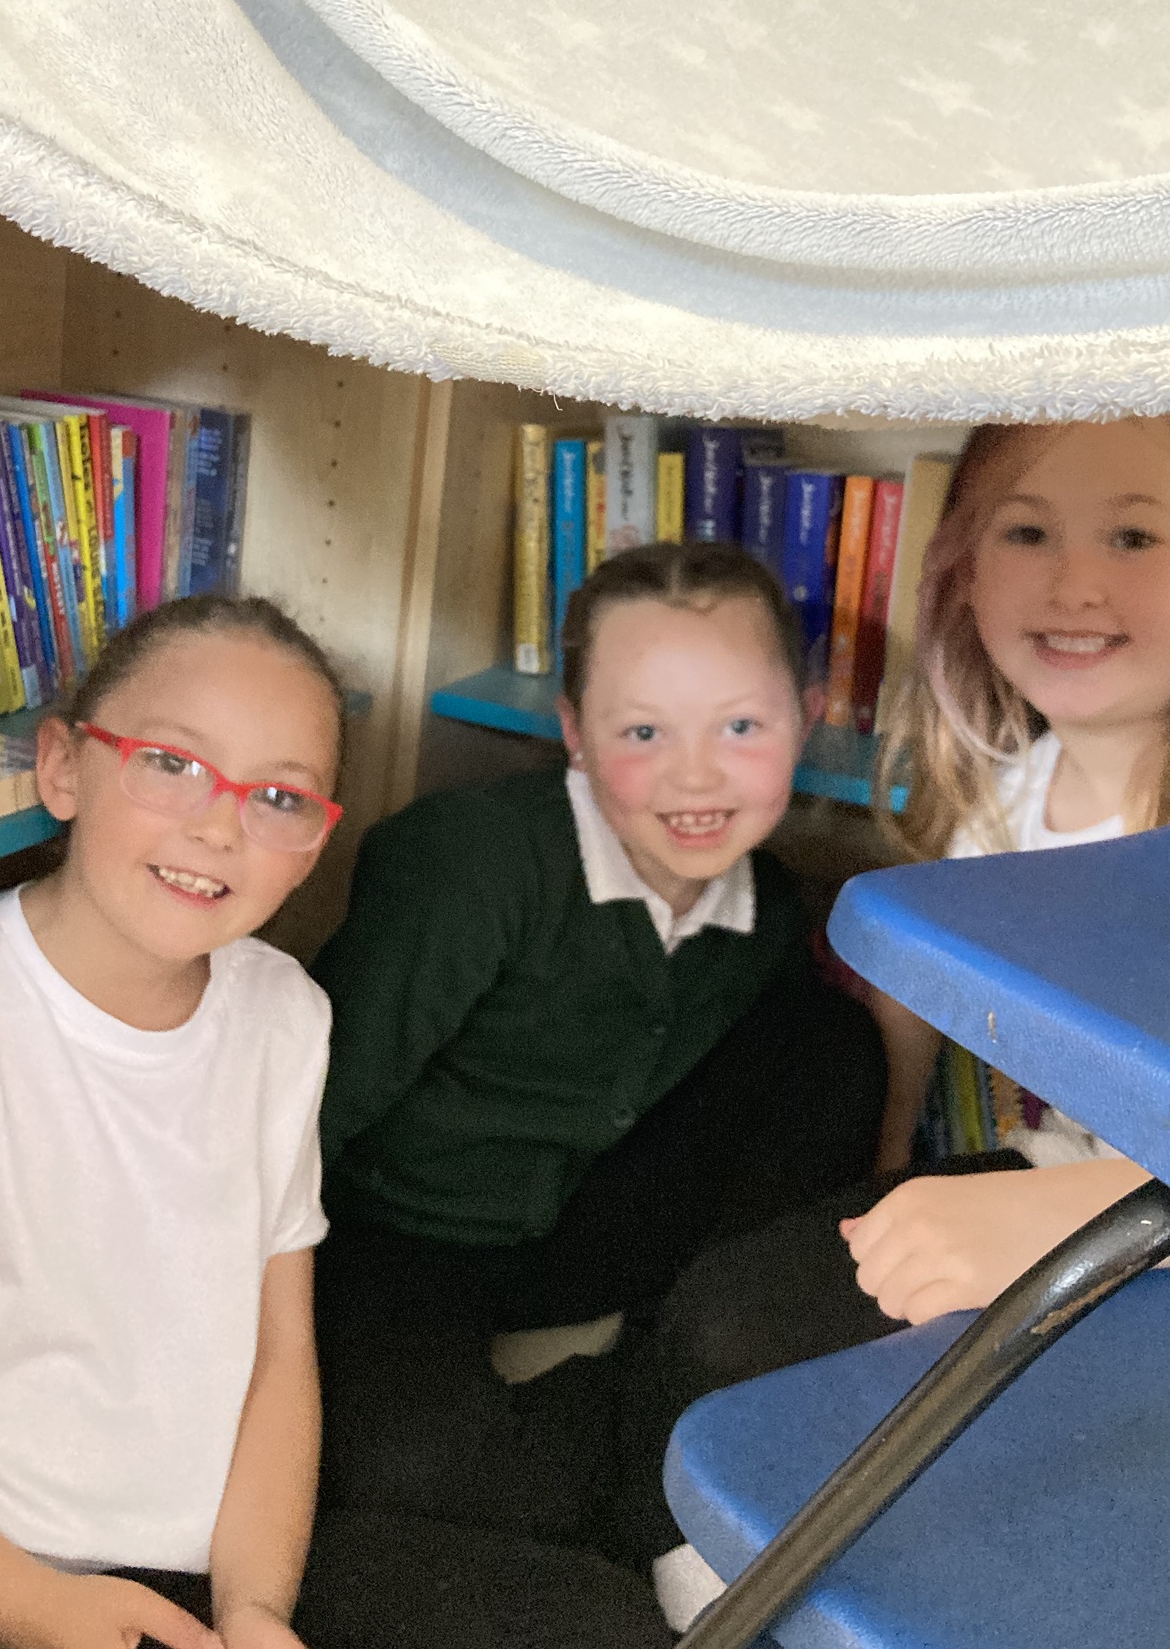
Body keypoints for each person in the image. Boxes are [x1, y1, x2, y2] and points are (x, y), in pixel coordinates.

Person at [0, 594, 674, 1649]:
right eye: (171, 763)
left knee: (602, 1622)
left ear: (315, 841)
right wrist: (46, 1610)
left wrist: (256, 1605)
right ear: (65, 767)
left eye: (278, 796)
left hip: (191, 1567)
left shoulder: (284, 1016)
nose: (219, 825)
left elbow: (277, 1356)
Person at [633, 411, 1170, 1595]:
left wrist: (1056, 1228)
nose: (1075, 584)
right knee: (730, 1312)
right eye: (1027, 531)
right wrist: (888, 1179)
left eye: (1135, 535)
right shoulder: (1008, 800)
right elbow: (909, 1034)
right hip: (1082, 1199)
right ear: (967, 564)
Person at [311, 543, 889, 1555]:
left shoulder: (765, 910)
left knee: (833, 1043)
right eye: (643, 731)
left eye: (742, 726)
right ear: (576, 734)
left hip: (586, 1218)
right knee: (419, 1483)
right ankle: (615, 1431)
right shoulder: (472, 866)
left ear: (804, 718)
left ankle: (679, 1399)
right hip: (401, 1229)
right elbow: (314, 1107)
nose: (696, 774)